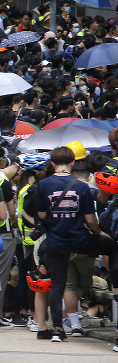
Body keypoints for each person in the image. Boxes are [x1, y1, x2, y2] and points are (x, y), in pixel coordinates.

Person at [34, 145, 110, 342]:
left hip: (56, 241)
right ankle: (114, 286)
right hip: (80, 240)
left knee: (57, 284)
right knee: (112, 247)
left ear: (52, 164)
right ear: (72, 163)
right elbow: (90, 219)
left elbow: (41, 215)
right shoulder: (81, 187)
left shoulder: (43, 185)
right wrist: (100, 233)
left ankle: (57, 329)